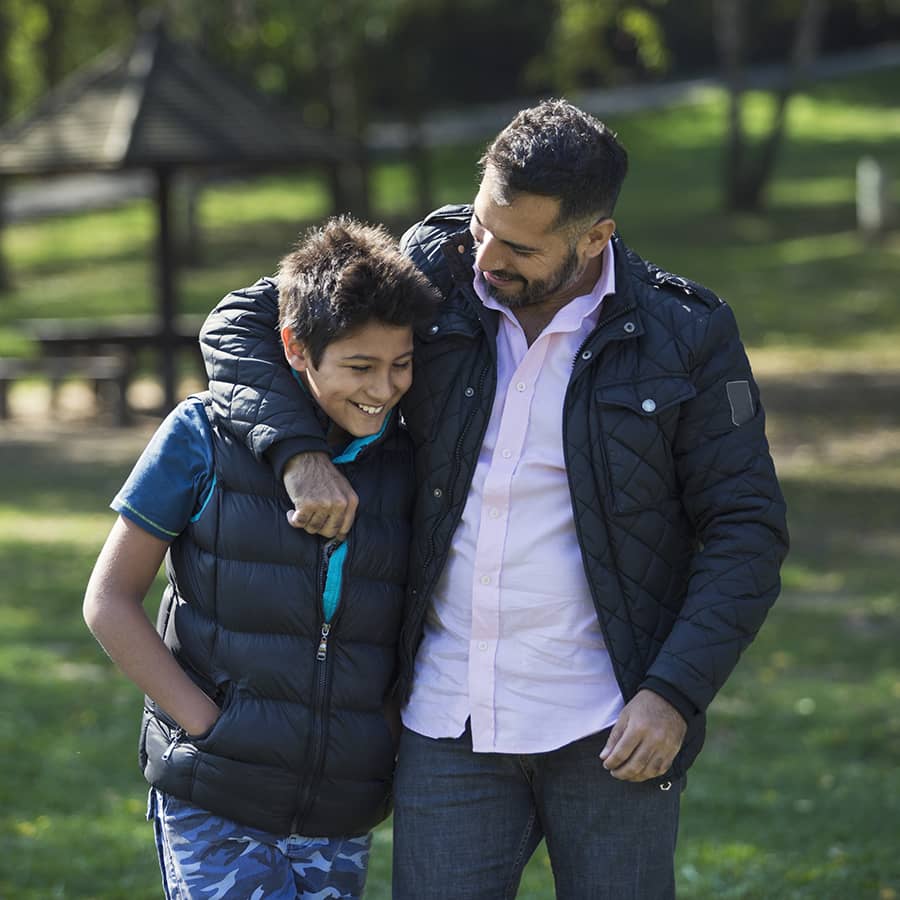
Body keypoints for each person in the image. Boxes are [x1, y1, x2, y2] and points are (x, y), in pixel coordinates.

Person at [199, 100, 789, 899]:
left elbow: (746, 529)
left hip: (612, 724)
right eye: (483, 225)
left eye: (519, 247)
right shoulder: (435, 263)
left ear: (595, 238)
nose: (485, 257)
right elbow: (241, 320)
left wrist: (674, 694)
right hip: (447, 721)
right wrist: (298, 455)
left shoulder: (686, 333)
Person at [83, 216, 439, 900]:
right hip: (215, 797)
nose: (384, 389)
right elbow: (108, 600)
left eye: (401, 365)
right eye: (360, 367)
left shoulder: (409, 460)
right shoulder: (201, 435)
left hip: (341, 811)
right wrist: (206, 726)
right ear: (296, 347)